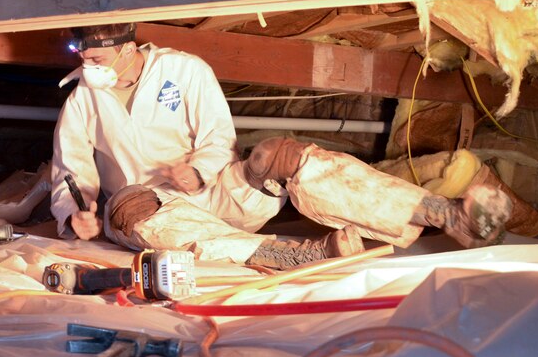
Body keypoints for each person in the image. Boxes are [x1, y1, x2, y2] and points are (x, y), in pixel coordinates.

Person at [49, 22, 512, 270]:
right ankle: (289, 254)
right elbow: (70, 171)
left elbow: (217, 138)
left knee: (279, 156)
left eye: (97, 59)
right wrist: (77, 213)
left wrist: (199, 171)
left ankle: (444, 213)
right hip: (148, 210)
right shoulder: (81, 101)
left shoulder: (184, 71)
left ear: (127, 49)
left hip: (209, 192)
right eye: (84, 60)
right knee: (129, 205)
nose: (90, 69)